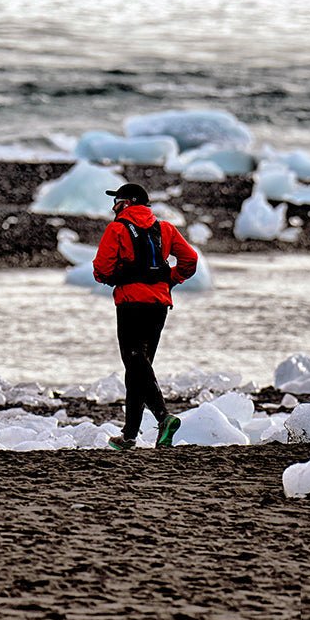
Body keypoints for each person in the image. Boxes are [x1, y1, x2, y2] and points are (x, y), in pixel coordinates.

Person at [93, 183, 198, 450]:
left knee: (135, 360)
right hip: (159, 305)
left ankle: (164, 418)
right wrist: (170, 280)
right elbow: (190, 260)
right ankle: (129, 435)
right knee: (139, 367)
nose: (113, 206)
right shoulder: (166, 229)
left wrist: (111, 278)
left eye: (116, 201)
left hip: (130, 303)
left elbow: (102, 268)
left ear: (127, 203)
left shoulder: (116, 229)